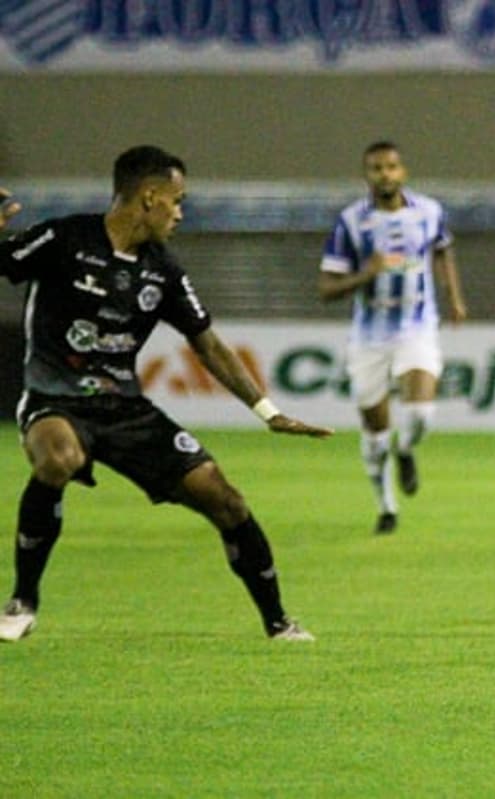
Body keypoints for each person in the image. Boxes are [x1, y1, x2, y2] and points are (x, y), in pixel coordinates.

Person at [0, 145, 333, 643]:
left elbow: (210, 345)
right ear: (149, 196)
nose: (180, 213)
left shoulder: (163, 271)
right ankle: (22, 602)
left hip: (126, 410)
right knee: (57, 458)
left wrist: (268, 411)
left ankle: (278, 623)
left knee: (225, 501)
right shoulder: (64, 237)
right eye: (177, 201)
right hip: (56, 398)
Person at [318, 141, 467, 535]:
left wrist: (453, 296)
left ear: (403, 172)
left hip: (417, 328)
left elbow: (443, 250)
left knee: (420, 414)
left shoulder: (429, 211)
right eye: (376, 168)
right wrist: (367, 273)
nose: (385, 174)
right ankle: (386, 506)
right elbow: (326, 288)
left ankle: (406, 450)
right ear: (366, 175)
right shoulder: (350, 222)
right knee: (375, 431)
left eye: (391, 167)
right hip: (369, 338)